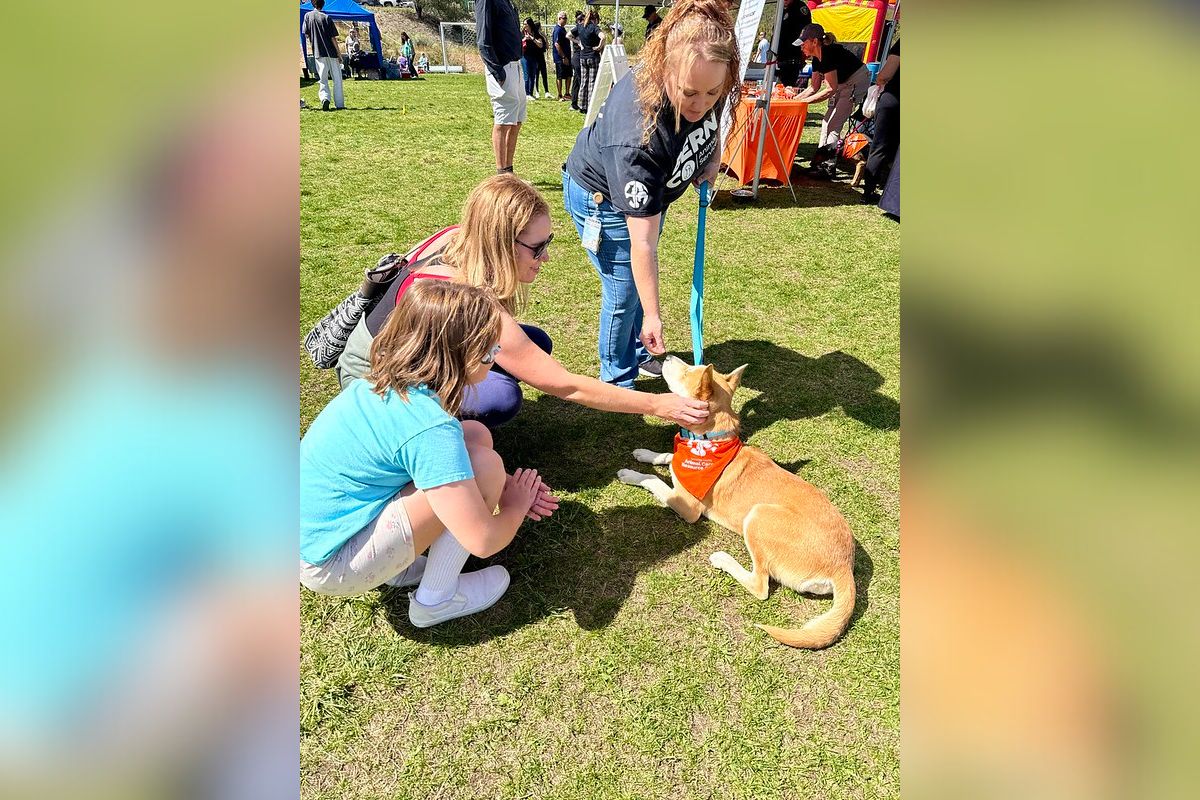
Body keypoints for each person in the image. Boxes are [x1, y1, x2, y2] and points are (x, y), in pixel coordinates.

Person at [336, 175, 710, 430]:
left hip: (387, 353)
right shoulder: (468, 300)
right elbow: (566, 386)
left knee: (536, 344)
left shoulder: (458, 239)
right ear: (501, 242)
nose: (545, 257)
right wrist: (657, 405)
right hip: (371, 382)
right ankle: (440, 429)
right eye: (537, 247)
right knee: (502, 396)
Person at [302, 281, 559, 627]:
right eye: (490, 349)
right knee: (484, 467)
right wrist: (514, 506)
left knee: (475, 435)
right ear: (461, 355)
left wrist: (511, 484)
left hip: (316, 536)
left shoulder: (386, 384)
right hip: (332, 563)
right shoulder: (429, 427)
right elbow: (483, 540)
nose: (496, 355)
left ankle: (401, 567)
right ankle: (435, 600)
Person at [562, 0, 737, 386]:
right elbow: (643, 244)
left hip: (649, 191)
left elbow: (715, 112)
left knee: (635, 286)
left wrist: (711, 156)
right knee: (625, 290)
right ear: (665, 68)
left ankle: (639, 352)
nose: (702, 103)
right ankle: (618, 377)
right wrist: (655, 315)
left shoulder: (708, 71)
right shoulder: (637, 137)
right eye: (690, 93)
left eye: (712, 92)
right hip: (601, 199)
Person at [793, 23, 871, 172]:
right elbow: (814, 87)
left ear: (815, 41)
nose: (801, 47)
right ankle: (819, 162)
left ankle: (827, 167)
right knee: (826, 122)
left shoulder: (829, 54)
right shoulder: (816, 58)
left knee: (834, 124)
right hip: (842, 83)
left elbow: (830, 89)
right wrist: (795, 101)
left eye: (804, 43)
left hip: (857, 82)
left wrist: (803, 102)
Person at [475, 0, 526, 174]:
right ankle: (501, 174)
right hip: (502, 67)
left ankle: (509, 171)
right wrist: (497, 72)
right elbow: (483, 40)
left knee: (516, 121)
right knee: (504, 121)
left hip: (516, 66)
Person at [862, 38, 899, 204]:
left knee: (880, 146)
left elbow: (885, 75)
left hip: (893, 99)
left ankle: (868, 191)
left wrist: (880, 80)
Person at [303, 0, 344, 112]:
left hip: (318, 52)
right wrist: (339, 54)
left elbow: (306, 34)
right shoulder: (327, 18)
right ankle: (339, 104)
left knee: (323, 78)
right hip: (331, 53)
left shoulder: (307, 16)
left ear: (312, 4)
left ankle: (325, 98)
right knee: (337, 79)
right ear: (323, 4)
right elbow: (333, 38)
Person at [774, 0, 811, 87]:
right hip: (779, 57)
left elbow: (806, 31)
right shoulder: (782, 9)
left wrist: (803, 53)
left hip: (792, 59)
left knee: (786, 89)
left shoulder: (800, 7)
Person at [575, 8, 605, 114]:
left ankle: (582, 105)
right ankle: (590, 105)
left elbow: (568, 35)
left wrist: (578, 42)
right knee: (592, 82)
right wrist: (598, 47)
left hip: (582, 57)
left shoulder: (580, 26)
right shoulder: (594, 27)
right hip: (593, 57)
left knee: (583, 82)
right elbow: (603, 37)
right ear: (595, 19)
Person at [552, 11, 572, 101]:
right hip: (560, 58)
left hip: (567, 56)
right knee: (560, 76)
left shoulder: (563, 29)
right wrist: (563, 57)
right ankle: (560, 95)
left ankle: (567, 94)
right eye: (564, 18)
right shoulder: (558, 29)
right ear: (559, 18)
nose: (565, 20)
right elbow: (557, 44)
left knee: (569, 75)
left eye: (566, 18)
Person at [568, 11, 585, 111]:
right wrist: (578, 42)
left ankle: (574, 103)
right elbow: (568, 35)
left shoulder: (582, 29)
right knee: (580, 80)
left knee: (576, 81)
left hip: (579, 57)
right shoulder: (577, 28)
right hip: (576, 57)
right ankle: (581, 103)